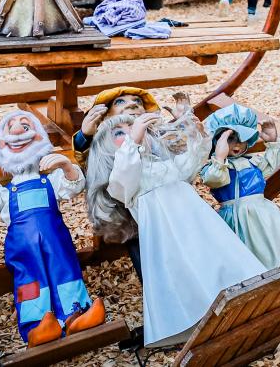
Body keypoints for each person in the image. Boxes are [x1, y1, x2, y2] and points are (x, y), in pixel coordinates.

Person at [104, 96, 265, 347]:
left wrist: (190, 126)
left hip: (193, 216)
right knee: (180, 269)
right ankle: (197, 320)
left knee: (210, 257)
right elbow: (120, 184)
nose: (134, 133)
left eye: (139, 125)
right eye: (120, 132)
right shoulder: (127, 167)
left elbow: (188, 165)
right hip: (163, 225)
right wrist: (132, 141)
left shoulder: (162, 160)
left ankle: (237, 305)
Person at [0, 111, 105, 347]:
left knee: (66, 272)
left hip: (57, 244)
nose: (17, 131)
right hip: (24, 251)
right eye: (10, 128)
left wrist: (66, 165)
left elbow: (74, 186)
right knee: (29, 282)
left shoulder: (51, 181)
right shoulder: (4, 193)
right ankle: (36, 324)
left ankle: (76, 313)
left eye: (25, 127)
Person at [200, 104, 280, 268]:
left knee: (276, 242)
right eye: (230, 139)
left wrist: (273, 143)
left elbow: (268, 168)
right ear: (217, 141)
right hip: (237, 215)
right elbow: (215, 179)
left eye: (242, 139)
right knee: (245, 253)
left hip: (262, 211)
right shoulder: (217, 167)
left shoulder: (251, 161)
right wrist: (220, 157)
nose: (237, 145)